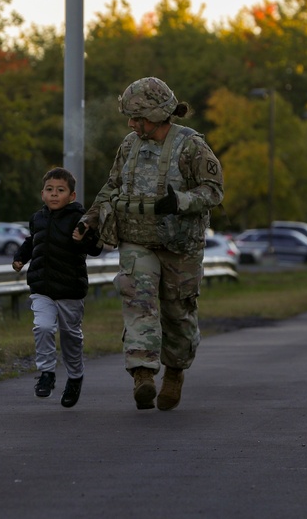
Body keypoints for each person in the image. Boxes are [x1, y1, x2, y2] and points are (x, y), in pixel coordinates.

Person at [75, 77, 224, 411]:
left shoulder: (191, 146)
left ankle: (174, 372)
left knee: (177, 313)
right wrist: (90, 220)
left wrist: (182, 201)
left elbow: (214, 191)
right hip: (137, 240)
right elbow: (112, 186)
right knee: (137, 299)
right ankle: (142, 373)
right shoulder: (129, 145)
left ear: (157, 115)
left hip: (180, 245)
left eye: (137, 117)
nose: (131, 123)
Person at [12, 167, 103, 408]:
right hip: (42, 288)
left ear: (71, 196)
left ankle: (74, 377)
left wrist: (84, 237)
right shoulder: (38, 218)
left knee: (71, 338)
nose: (54, 194)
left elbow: (95, 248)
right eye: (49, 190)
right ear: (42, 194)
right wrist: (20, 257)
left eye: (60, 190)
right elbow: (33, 242)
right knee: (42, 327)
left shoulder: (79, 219)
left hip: (70, 290)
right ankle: (46, 374)